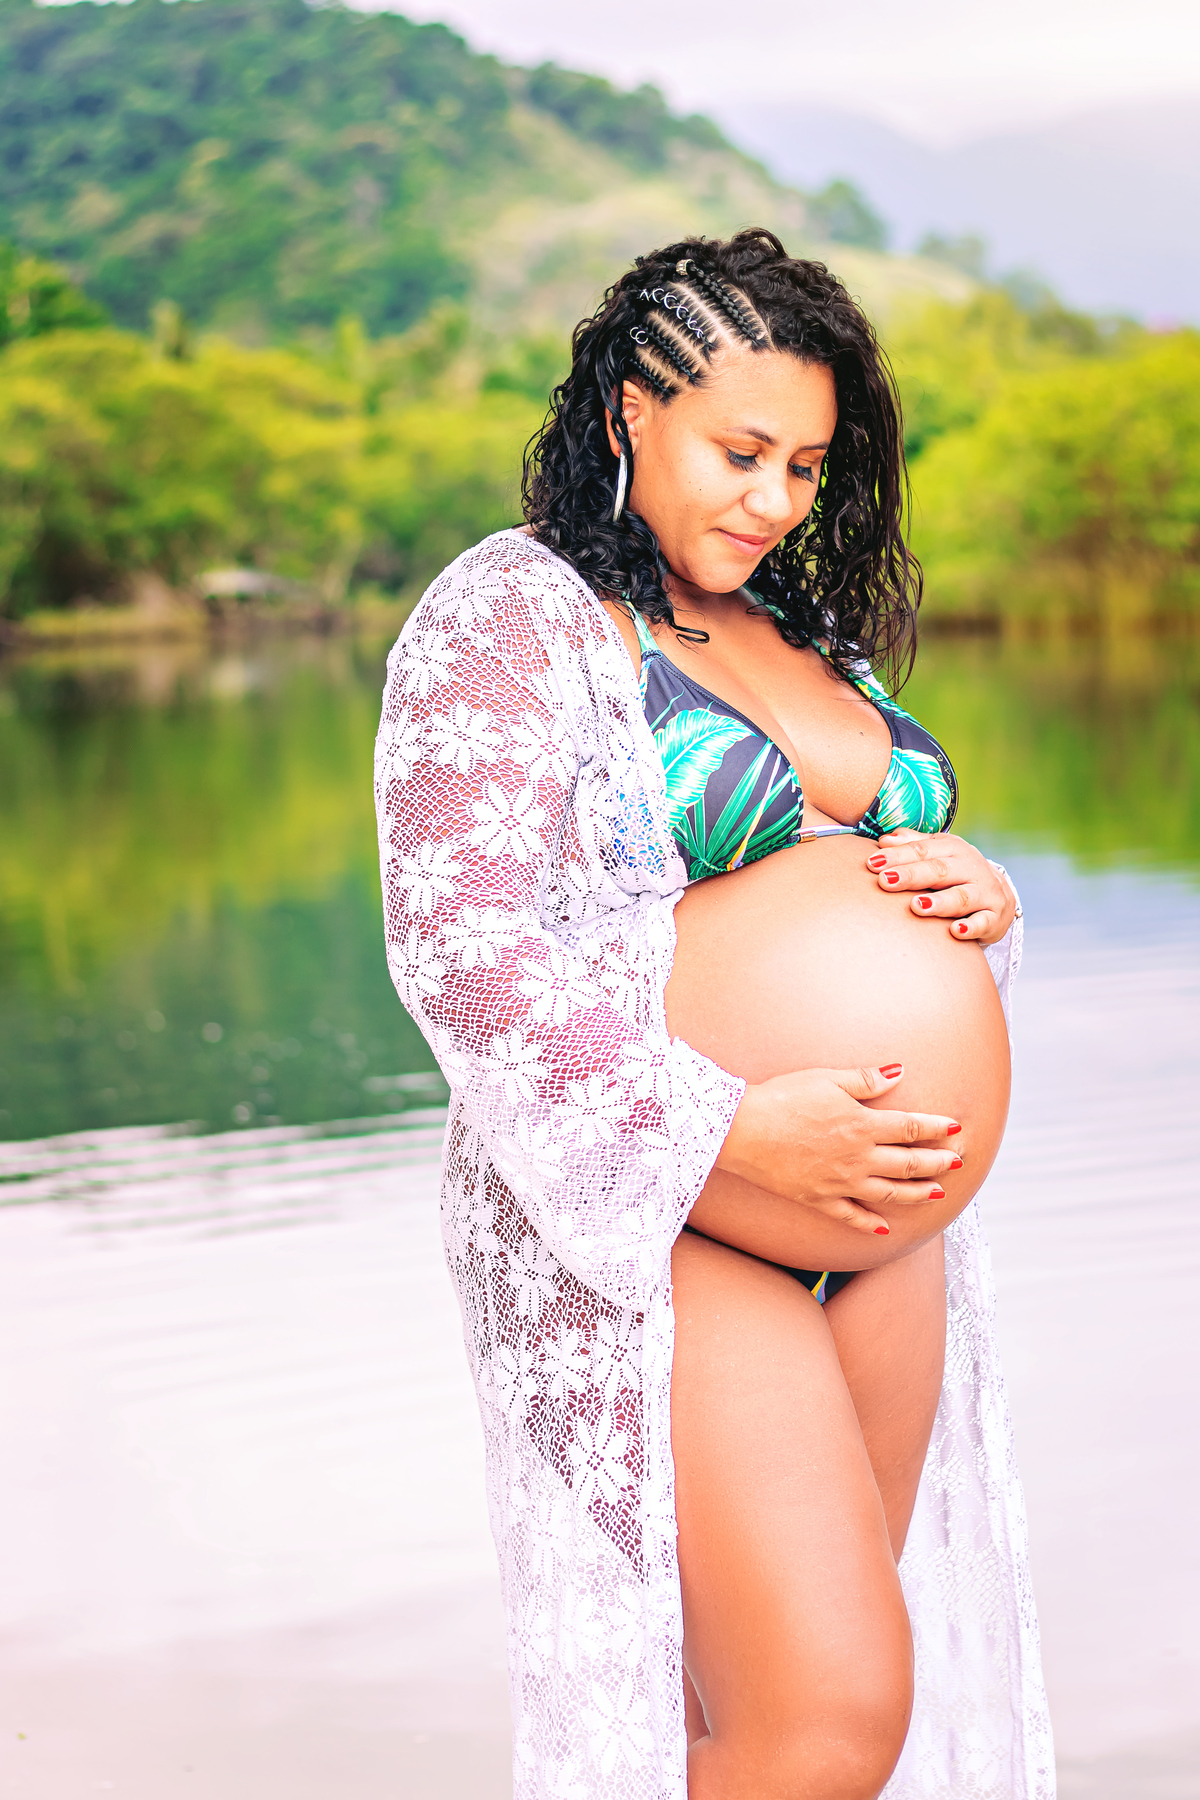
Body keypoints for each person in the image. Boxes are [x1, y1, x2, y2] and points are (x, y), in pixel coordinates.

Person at [375, 229, 1053, 1800]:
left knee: (770, 1715)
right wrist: (727, 1126)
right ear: (632, 411)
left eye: (806, 466)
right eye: (741, 453)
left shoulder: (799, 631)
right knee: (823, 1719)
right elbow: (460, 944)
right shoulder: (515, 612)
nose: (775, 499)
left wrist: (976, 900)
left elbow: (836, 896)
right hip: (666, 1212)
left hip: (874, 1220)